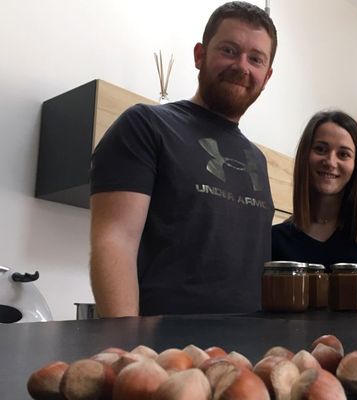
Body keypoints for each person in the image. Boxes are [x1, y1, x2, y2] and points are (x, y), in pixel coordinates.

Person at [89, 1, 277, 317]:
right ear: (200, 55)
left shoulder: (256, 158)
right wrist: (126, 345)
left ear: (267, 75)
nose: (242, 66)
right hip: (163, 354)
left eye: (255, 59)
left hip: (247, 355)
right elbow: (114, 242)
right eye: (229, 50)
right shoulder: (145, 125)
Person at [271, 110, 357, 296]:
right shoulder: (276, 240)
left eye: (343, 154)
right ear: (305, 156)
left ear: (356, 164)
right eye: (321, 149)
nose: (330, 161)